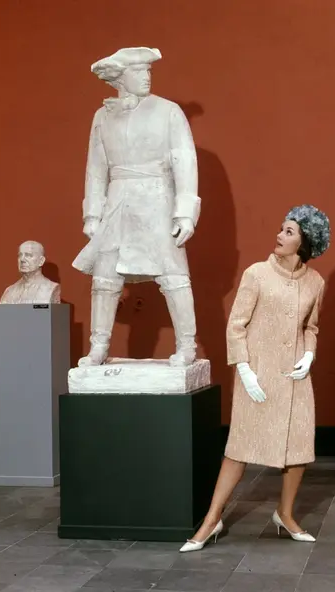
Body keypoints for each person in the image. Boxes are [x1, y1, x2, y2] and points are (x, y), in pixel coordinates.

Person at [180, 204, 330, 552]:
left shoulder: (315, 282)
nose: (279, 235)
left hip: (295, 379)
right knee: (238, 449)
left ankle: (285, 514)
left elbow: (311, 327)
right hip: (257, 377)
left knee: (298, 448)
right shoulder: (257, 274)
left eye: (288, 232)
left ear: (305, 242)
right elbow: (235, 325)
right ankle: (211, 520)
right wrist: (244, 370)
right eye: (281, 228)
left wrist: (309, 355)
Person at [71, 47, 200, 367]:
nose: (147, 77)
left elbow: (184, 160)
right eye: (139, 72)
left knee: (173, 275)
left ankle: (187, 345)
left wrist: (185, 212)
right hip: (118, 202)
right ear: (120, 77)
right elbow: (96, 168)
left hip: (157, 199)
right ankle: (98, 345)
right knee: (105, 278)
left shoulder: (168, 111)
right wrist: (92, 213)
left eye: (148, 71)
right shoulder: (103, 116)